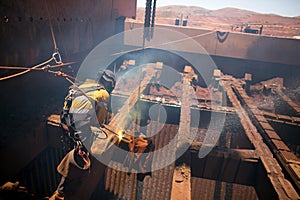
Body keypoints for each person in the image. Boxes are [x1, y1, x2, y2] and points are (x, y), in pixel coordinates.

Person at [50, 69, 116, 200]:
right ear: (109, 84)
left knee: (77, 147)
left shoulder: (84, 86)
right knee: (90, 148)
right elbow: (100, 120)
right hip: (80, 128)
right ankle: (61, 191)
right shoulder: (103, 94)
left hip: (65, 123)